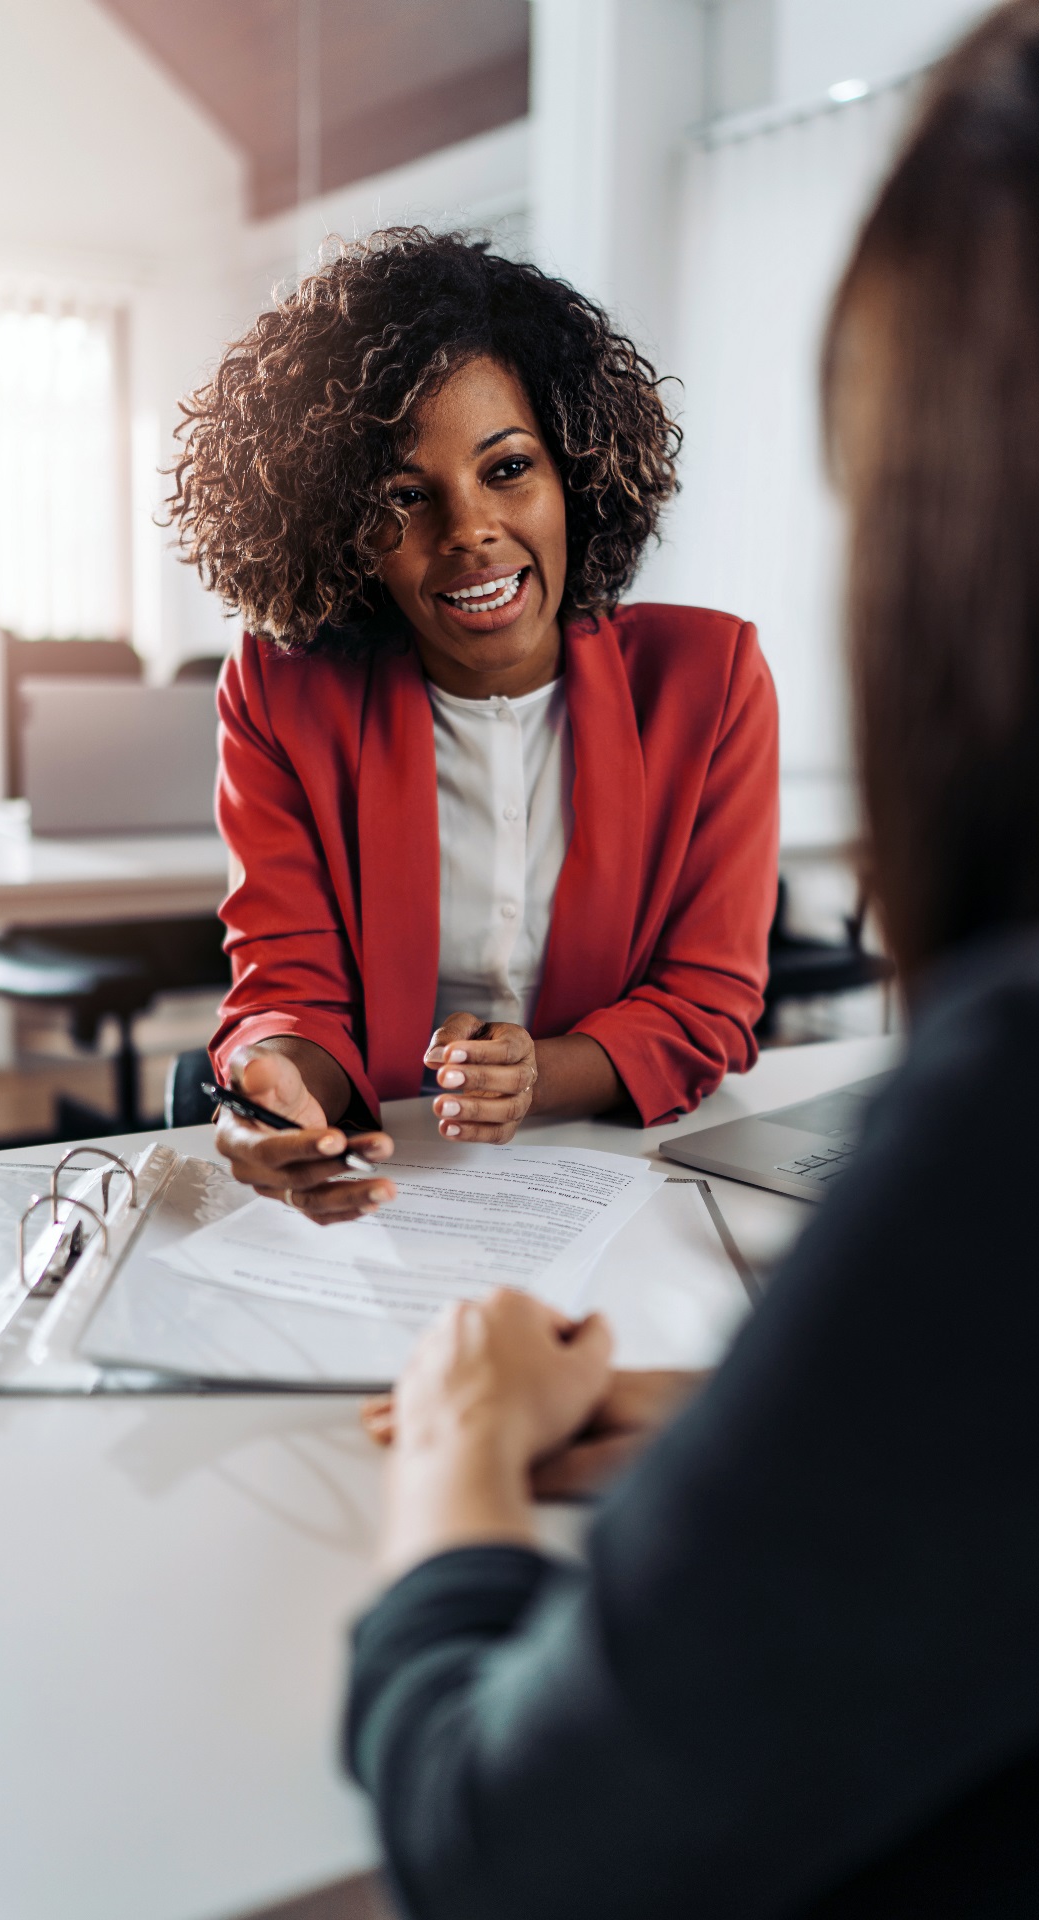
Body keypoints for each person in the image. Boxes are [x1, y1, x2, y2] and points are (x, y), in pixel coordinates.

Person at [343, 1, 1039, 1914]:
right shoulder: (303, 703)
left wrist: (464, 1450)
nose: (468, 532)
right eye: (409, 495)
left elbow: (517, 1850)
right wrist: (810, 1421)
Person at [168, 232, 778, 1224]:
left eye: (507, 468)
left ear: (573, 472)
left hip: (630, 1178)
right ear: (337, 527)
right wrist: (273, 1088)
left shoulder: (708, 680)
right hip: (387, 1192)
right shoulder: (281, 689)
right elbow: (289, 988)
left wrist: (539, 1074)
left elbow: (707, 1002)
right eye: (403, 497)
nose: (467, 531)